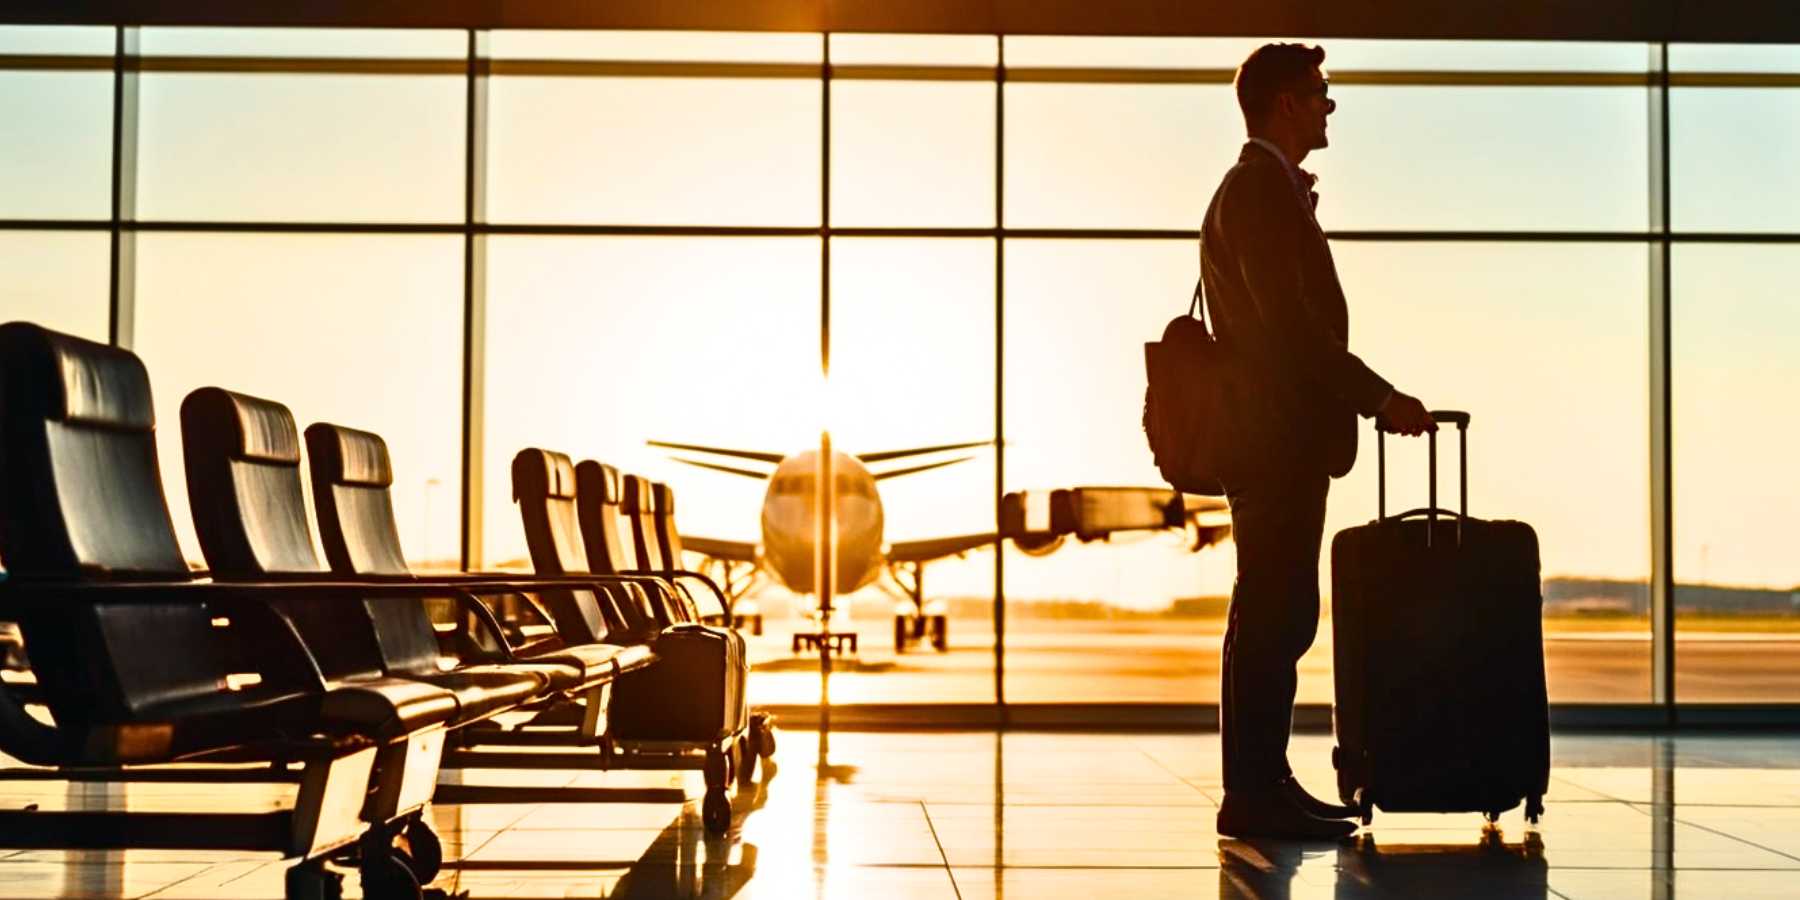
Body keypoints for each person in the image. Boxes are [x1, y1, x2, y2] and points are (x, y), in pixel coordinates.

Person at [1202, 42, 1437, 840]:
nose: (1329, 105)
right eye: (1319, 93)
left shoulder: (1268, 191)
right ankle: (1253, 793)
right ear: (1282, 105)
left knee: (1278, 612)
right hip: (1274, 443)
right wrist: (1379, 397)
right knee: (1273, 613)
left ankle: (1264, 781)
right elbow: (1292, 333)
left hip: (1277, 440)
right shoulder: (1257, 191)